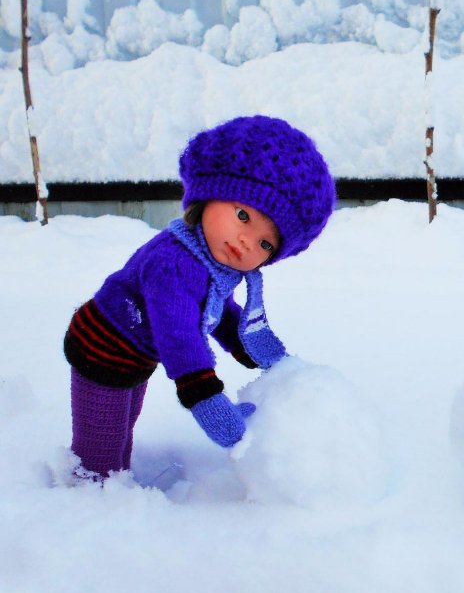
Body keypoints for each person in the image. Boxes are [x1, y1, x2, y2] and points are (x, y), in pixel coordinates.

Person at [64, 115, 335, 480]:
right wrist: (206, 398)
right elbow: (180, 337)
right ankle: (90, 494)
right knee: (101, 441)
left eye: (265, 243)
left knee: (122, 426)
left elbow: (216, 310)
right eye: (243, 215)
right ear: (209, 194)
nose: (246, 242)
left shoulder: (210, 262)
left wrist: (254, 353)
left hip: (135, 357)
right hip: (101, 348)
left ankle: (114, 481)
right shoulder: (172, 264)